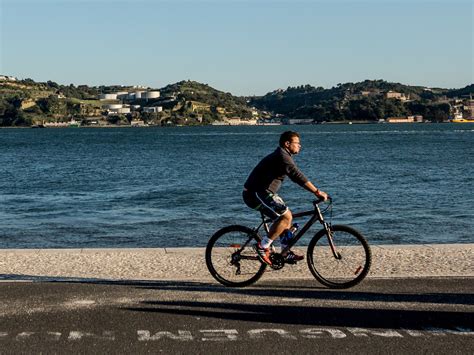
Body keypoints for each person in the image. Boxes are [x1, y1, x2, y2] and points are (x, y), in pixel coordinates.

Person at [242, 130, 329, 266]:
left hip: (266, 193)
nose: (299, 146)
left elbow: (296, 176)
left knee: (287, 218)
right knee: (286, 217)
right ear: (287, 144)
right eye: (297, 143)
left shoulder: (283, 156)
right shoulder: (282, 156)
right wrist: (317, 192)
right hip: (255, 194)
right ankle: (262, 246)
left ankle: (284, 252)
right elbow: (297, 176)